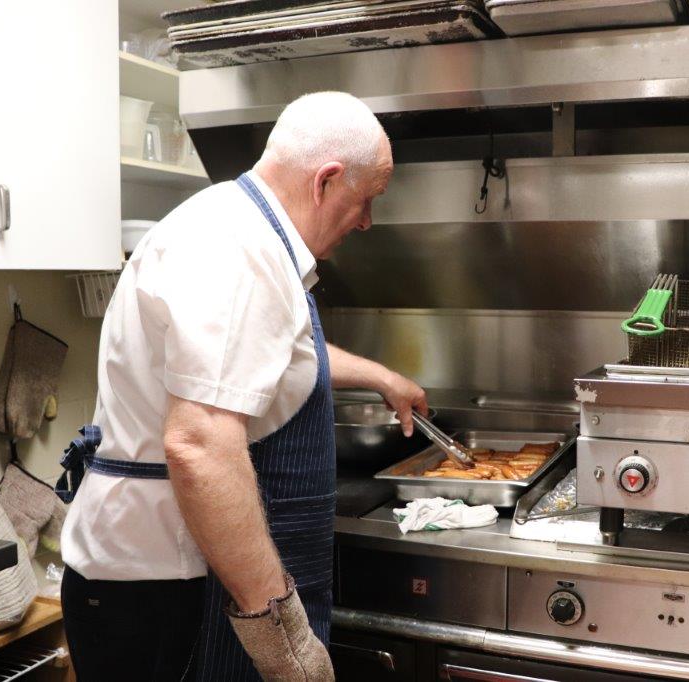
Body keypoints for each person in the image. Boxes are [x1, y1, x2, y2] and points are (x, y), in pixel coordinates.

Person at [58, 91, 426, 681]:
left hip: (162, 585)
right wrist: (284, 644)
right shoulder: (235, 250)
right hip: (161, 592)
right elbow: (199, 446)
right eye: (366, 200)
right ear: (326, 181)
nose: (366, 221)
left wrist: (380, 377)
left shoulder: (238, 229)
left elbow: (263, 353)